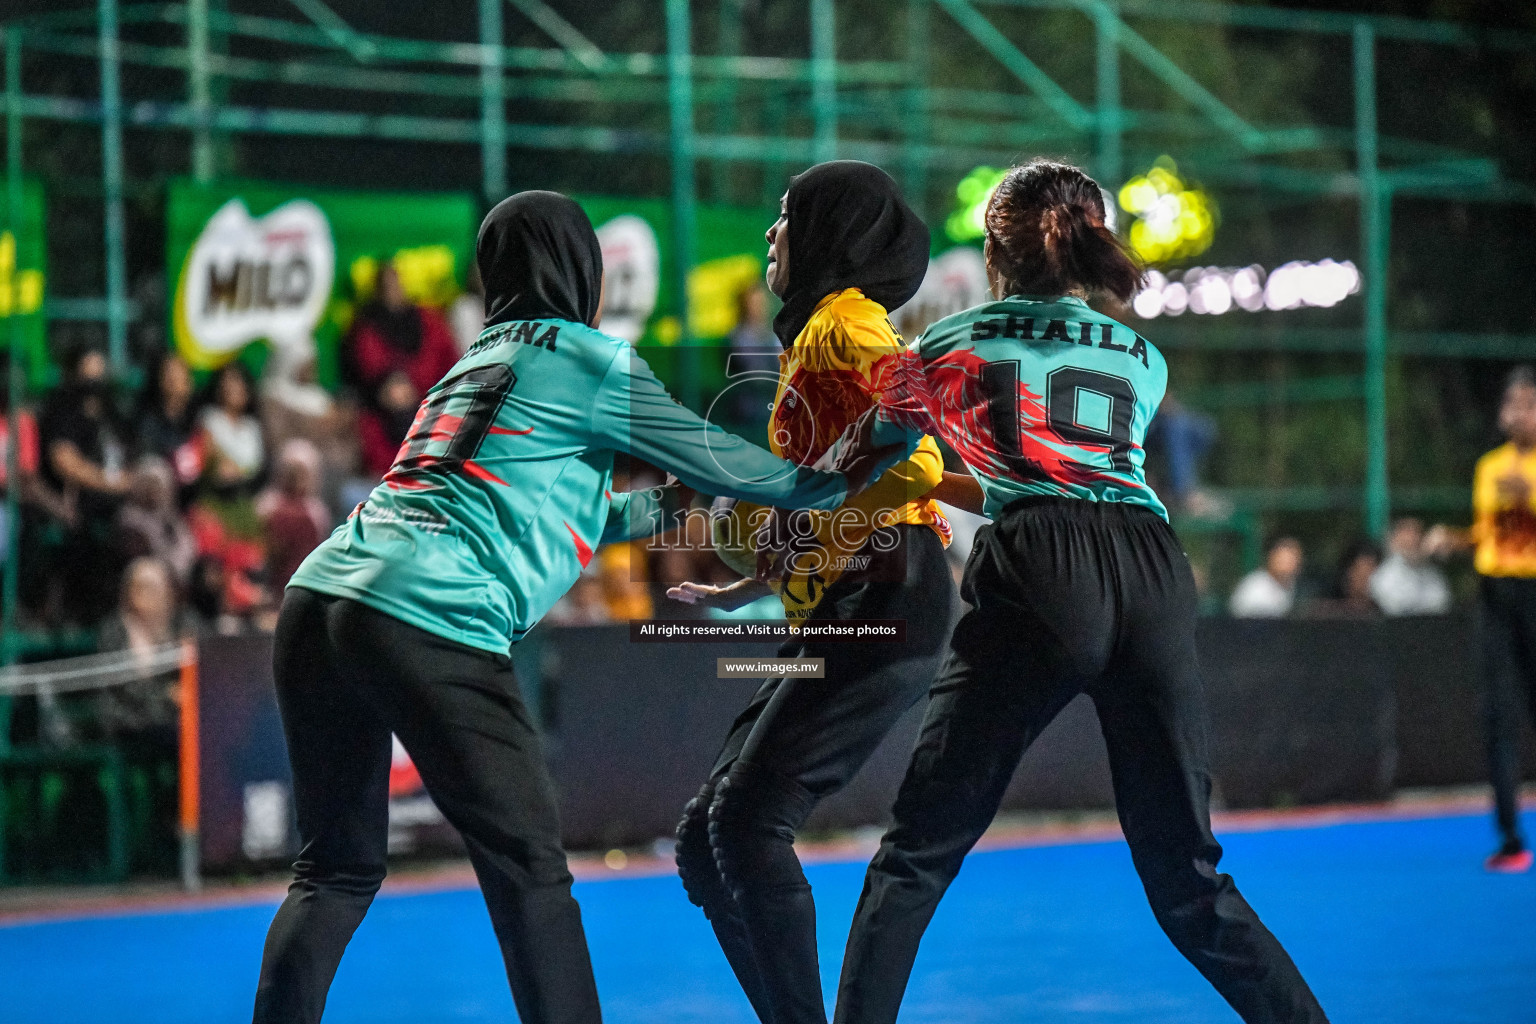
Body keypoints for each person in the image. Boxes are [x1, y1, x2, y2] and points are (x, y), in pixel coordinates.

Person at [251, 190, 889, 1024]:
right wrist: (841, 474)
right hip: (431, 613)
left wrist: (672, 508)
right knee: (530, 874)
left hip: (322, 596)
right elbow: (725, 461)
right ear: (579, 268)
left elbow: (560, 514)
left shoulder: (473, 362)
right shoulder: (590, 358)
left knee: (331, 874)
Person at [827, 159, 1328, 1024]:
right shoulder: (1144, 358)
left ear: (995, 254)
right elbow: (1069, 472)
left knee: (914, 855)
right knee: (1190, 879)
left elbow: (859, 451)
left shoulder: (946, 344)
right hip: (1152, 566)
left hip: (1041, 571)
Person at [666, 161, 956, 1024]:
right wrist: (754, 563)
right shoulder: (813, 341)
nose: (770, 233)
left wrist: (797, 497)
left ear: (827, 236)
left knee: (744, 828)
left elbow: (918, 444)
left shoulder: (844, 324)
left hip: (889, 591)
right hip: (849, 597)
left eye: (786, 217)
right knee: (706, 842)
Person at [1468, 366, 1536, 872]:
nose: (1515, 412)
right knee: (1498, 715)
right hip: (1496, 594)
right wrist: (1451, 541)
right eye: (1510, 403)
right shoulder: (1490, 466)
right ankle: (1511, 838)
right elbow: (1493, 534)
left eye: (1527, 403)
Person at [37, 346, 131, 625]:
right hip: (78, 508)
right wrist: (112, 483)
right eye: (87, 376)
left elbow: (134, 458)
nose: (94, 384)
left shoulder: (114, 414)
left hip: (119, 508)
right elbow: (64, 461)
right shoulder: (62, 411)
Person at [343, 260, 460, 479]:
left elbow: (450, 361)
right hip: (383, 413)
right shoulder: (366, 328)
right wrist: (392, 386)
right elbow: (370, 370)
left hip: (431, 400)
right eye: (386, 285)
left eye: (395, 282)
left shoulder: (427, 321)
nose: (393, 290)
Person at [116, 457, 197, 591]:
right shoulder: (129, 519)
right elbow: (139, 559)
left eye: (157, 485)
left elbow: (188, 550)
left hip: (177, 584)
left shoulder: (172, 518)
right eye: (148, 484)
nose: (152, 491)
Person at [1370, 516, 1451, 616]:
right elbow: (1395, 607)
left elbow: (1441, 603)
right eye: (1408, 533)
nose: (1414, 539)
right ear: (1395, 539)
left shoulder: (1432, 573)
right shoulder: (1384, 576)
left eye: (1417, 533)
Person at [1229, 534, 1303, 618]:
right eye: (1284, 560)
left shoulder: (1294, 586)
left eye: (1292, 561)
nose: (1288, 566)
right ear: (1272, 559)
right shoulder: (1255, 586)